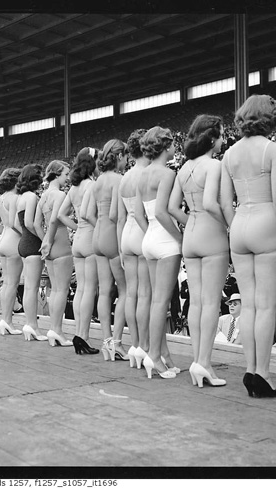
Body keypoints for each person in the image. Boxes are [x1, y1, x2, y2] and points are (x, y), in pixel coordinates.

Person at [220, 94, 276, 399]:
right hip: (265, 222)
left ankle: (249, 368)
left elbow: (223, 201)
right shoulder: (275, 149)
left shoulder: (229, 154)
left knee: (247, 305)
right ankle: (263, 373)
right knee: (266, 305)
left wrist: (236, 224)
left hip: (240, 224)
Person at [169, 114, 229, 387]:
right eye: (221, 135)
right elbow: (211, 203)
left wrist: (190, 220)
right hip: (211, 235)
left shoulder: (183, 169)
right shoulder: (214, 165)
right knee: (211, 303)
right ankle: (204, 363)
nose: (223, 139)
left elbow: (171, 208)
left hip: (190, 235)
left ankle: (196, 360)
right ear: (212, 138)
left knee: (195, 301)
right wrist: (230, 226)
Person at [135, 126, 182, 379]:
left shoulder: (141, 175)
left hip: (150, 238)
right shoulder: (167, 173)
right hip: (165, 240)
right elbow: (165, 212)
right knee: (160, 303)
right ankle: (154, 356)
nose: (176, 147)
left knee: (156, 302)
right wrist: (180, 238)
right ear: (166, 147)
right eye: (173, 143)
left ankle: (163, 355)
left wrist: (150, 236)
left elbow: (140, 214)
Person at [89, 139, 129, 361]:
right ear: (119, 156)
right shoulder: (119, 180)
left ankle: (106, 342)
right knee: (124, 290)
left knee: (104, 291)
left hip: (98, 236)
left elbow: (92, 213)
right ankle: (117, 342)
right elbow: (116, 215)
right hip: (112, 236)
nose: (127, 161)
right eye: (126, 157)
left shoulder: (97, 181)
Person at [58, 148, 100, 355]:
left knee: (81, 289)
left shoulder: (73, 188)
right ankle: (83, 336)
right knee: (89, 289)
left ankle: (78, 333)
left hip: (79, 239)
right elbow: (89, 213)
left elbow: (61, 215)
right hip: (91, 236)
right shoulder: (91, 185)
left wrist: (77, 228)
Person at [117, 129, 151, 368]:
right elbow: (145, 213)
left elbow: (120, 218)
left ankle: (134, 344)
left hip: (126, 234)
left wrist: (120, 247)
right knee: (145, 294)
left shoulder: (125, 176)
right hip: (141, 231)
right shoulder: (146, 174)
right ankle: (144, 346)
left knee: (131, 293)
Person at [38, 160, 74, 346]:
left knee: (55, 290)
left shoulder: (43, 196)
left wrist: (44, 240)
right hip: (59, 242)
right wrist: (50, 241)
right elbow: (54, 221)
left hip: (50, 244)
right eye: (66, 174)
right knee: (62, 289)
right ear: (57, 174)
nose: (68, 178)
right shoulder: (59, 194)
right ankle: (57, 330)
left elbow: (37, 224)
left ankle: (54, 328)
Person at [15, 163, 47, 342]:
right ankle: (32, 325)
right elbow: (29, 223)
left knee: (28, 287)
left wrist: (26, 237)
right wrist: (44, 240)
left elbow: (15, 223)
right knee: (32, 288)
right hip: (32, 244)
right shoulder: (32, 197)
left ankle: (29, 324)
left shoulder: (20, 198)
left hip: (23, 243)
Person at [0, 168, 24, 336]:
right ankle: (7, 320)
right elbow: (16, 224)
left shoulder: (1, 199)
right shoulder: (16, 198)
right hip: (13, 242)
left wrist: (5, 234)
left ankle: (4, 319)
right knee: (12, 283)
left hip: (2, 240)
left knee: (6, 283)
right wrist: (27, 236)